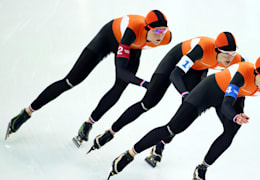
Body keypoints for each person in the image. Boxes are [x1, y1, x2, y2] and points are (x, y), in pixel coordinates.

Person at [5, 10, 172, 144]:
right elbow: (122, 71)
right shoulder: (132, 30)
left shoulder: (166, 38)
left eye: (163, 31)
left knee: (119, 88)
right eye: (156, 31)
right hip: (108, 38)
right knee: (71, 81)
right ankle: (27, 112)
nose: (160, 36)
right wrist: (144, 83)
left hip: (133, 48)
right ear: (146, 28)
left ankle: (88, 124)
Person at [106, 55, 260, 180]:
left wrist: (235, 119)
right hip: (208, 90)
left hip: (234, 95)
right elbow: (228, 103)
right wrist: (236, 116)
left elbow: (233, 101)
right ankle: (130, 154)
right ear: (255, 74)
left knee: (231, 132)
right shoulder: (242, 74)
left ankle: (202, 168)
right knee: (172, 128)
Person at [86, 32, 245, 163]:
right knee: (148, 103)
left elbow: (240, 85)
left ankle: (160, 144)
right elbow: (175, 74)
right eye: (225, 54)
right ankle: (111, 131)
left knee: (185, 112)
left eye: (232, 53)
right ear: (217, 50)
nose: (229, 58)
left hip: (198, 69)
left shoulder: (238, 61)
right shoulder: (202, 49)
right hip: (176, 61)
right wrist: (184, 93)